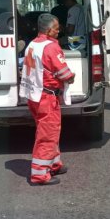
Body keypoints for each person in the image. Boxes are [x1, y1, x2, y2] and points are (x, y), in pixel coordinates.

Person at [20, 13, 75, 185]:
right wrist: (71, 77)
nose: (59, 31)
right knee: (47, 135)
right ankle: (40, 175)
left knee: (49, 131)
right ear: (50, 30)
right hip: (46, 96)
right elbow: (63, 72)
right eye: (57, 28)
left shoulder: (33, 45)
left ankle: (54, 164)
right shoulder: (51, 47)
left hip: (35, 95)